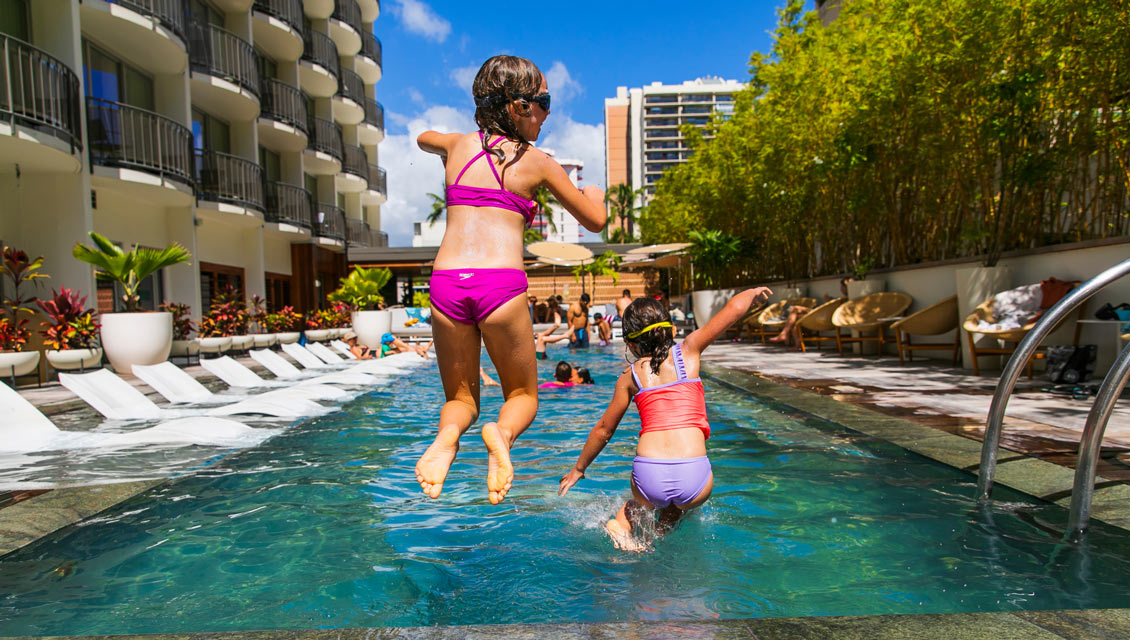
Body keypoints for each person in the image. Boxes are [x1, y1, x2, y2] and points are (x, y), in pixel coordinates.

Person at [414, 55, 606, 504]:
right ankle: (500, 434)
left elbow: (424, 137)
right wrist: (595, 193)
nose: (549, 112)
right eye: (544, 101)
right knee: (523, 395)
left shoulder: (458, 146)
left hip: (445, 283)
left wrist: (449, 142)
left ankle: (447, 439)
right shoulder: (537, 162)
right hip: (499, 284)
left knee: (461, 400)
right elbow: (595, 219)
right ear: (519, 107)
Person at [559, 286, 772, 551]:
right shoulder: (690, 351)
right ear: (669, 329)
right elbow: (732, 311)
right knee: (680, 507)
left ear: (632, 344)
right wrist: (751, 292)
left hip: (650, 475)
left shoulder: (630, 376)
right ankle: (655, 538)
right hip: (695, 477)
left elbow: (604, 430)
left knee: (635, 508)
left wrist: (579, 469)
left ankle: (623, 528)